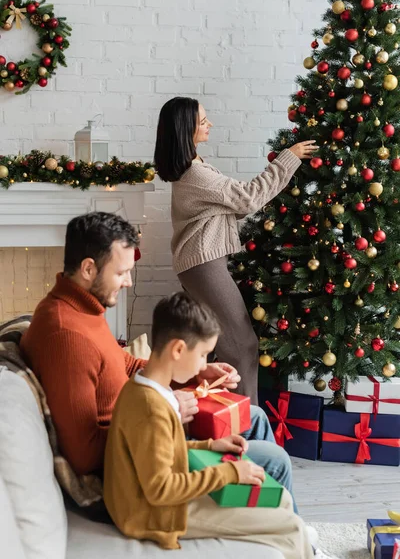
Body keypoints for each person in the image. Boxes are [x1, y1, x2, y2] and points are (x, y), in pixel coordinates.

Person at [19, 211, 294, 506]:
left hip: (147, 423)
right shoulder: (67, 336)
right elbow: (84, 456)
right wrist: (168, 410)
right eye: (121, 272)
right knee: (275, 460)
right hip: (139, 456)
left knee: (255, 416)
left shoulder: (86, 309)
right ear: (88, 269)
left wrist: (192, 372)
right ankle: (295, 541)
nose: (127, 282)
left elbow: (121, 365)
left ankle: (273, 523)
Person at [104, 292, 381, 559]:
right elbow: (161, 489)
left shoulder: (147, 389)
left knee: (282, 501)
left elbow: (161, 450)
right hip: (154, 515)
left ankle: (303, 556)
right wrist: (232, 473)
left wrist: (211, 444)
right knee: (287, 523)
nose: (203, 366)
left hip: (156, 502)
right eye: (201, 355)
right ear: (177, 350)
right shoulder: (151, 406)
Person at [154, 97, 319, 405]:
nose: (209, 124)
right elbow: (247, 199)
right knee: (242, 345)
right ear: (184, 129)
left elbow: (231, 206)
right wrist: (289, 158)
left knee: (215, 346)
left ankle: (220, 418)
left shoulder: (196, 167)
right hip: (203, 266)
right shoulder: (196, 175)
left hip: (201, 263)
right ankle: (248, 426)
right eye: (203, 121)